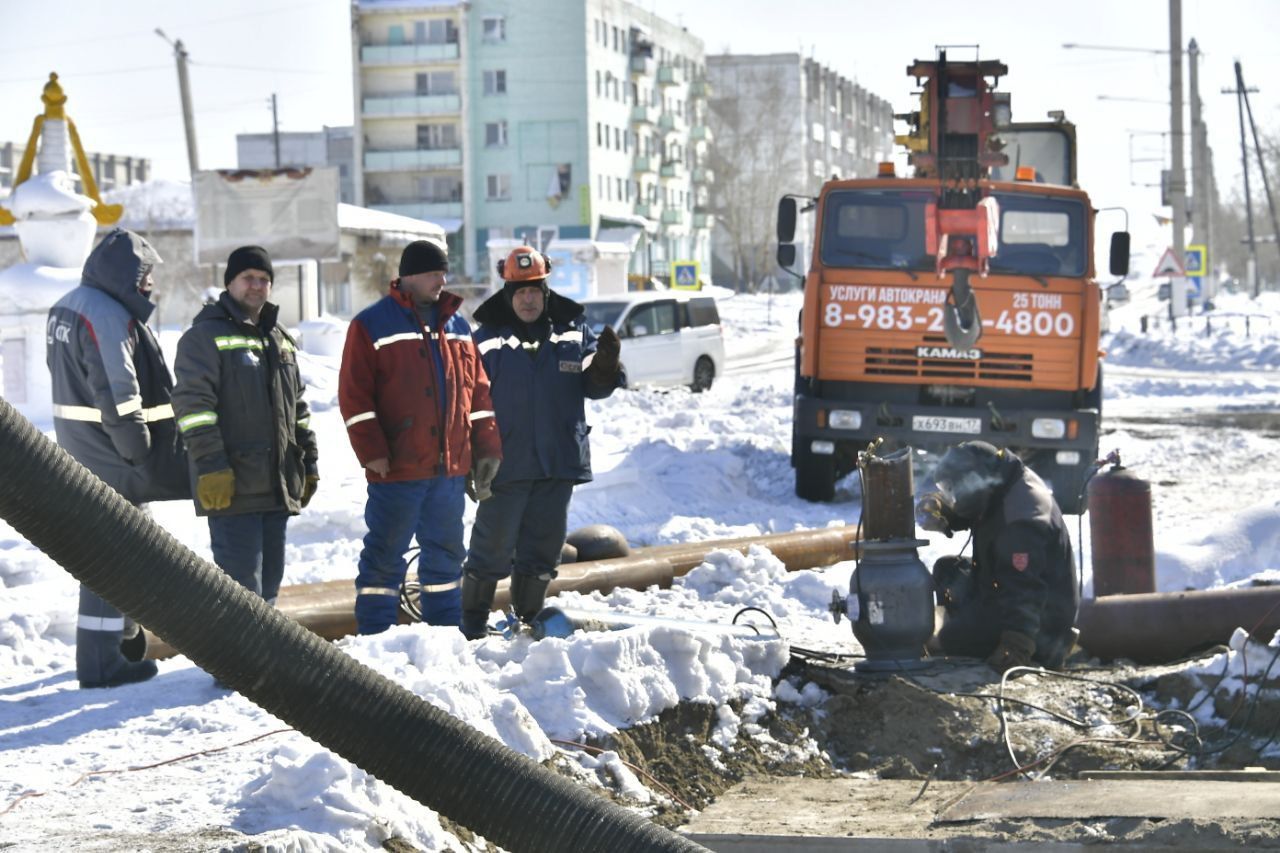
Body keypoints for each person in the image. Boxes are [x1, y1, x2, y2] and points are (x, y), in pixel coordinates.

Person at [46, 228, 189, 688]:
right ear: (127, 273)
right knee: (112, 552)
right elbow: (118, 393)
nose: (148, 284)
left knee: (124, 547)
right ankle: (103, 663)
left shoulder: (69, 304)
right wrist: (140, 455)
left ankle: (124, 641)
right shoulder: (107, 315)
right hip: (111, 453)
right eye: (145, 275)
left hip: (80, 444)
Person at [460, 246, 624, 640]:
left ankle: (526, 619)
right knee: (491, 548)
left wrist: (604, 365)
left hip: (557, 463)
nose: (528, 299)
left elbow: (594, 386)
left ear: (546, 292)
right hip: (505, 465)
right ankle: (471, 625)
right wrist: (472, 457)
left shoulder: (572, 334)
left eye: (535, 290)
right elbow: (467, 403)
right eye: (520, 292)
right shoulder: (484, 342)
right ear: (507, 295)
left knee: (543, 551)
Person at [339, 239, 502, 634]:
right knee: (384, 554)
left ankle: (445, 632)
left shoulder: (459, 326)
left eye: (444, 272)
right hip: (397, 468)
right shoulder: (372, 324)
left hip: (448, 469)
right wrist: (372, 451)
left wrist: (486, 449)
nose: (442, 280)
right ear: (408, 275)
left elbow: (477, 394)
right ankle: (374, 636)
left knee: (446, 555)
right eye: (433, 273)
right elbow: (354, 396)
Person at [172, 245, 319, 607]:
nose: (256, 286)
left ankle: (264, 662)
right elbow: (193, 410)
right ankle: (237, 663)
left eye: (264, 279)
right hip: (233, 488)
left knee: (269, 591)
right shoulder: (203, 338)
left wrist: (309, 463)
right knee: (240, 596)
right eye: (248, 278)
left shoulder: (278, 338)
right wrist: (211, 467)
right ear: (230, 283)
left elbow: (297, 409)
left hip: (277, 485)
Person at [916, 440, 1078, 671]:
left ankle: (958, 639)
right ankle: (963, 631)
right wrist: (943, 510)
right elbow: (979, 507)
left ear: (974, 482)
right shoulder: (1003, 479)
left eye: (953, 490)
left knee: (951, 638)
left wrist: (1017, 645)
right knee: (947, 569)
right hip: (1004, 588)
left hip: (1042, 627)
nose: (952, 496)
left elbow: (1026, 590)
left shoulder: (1021, 521)